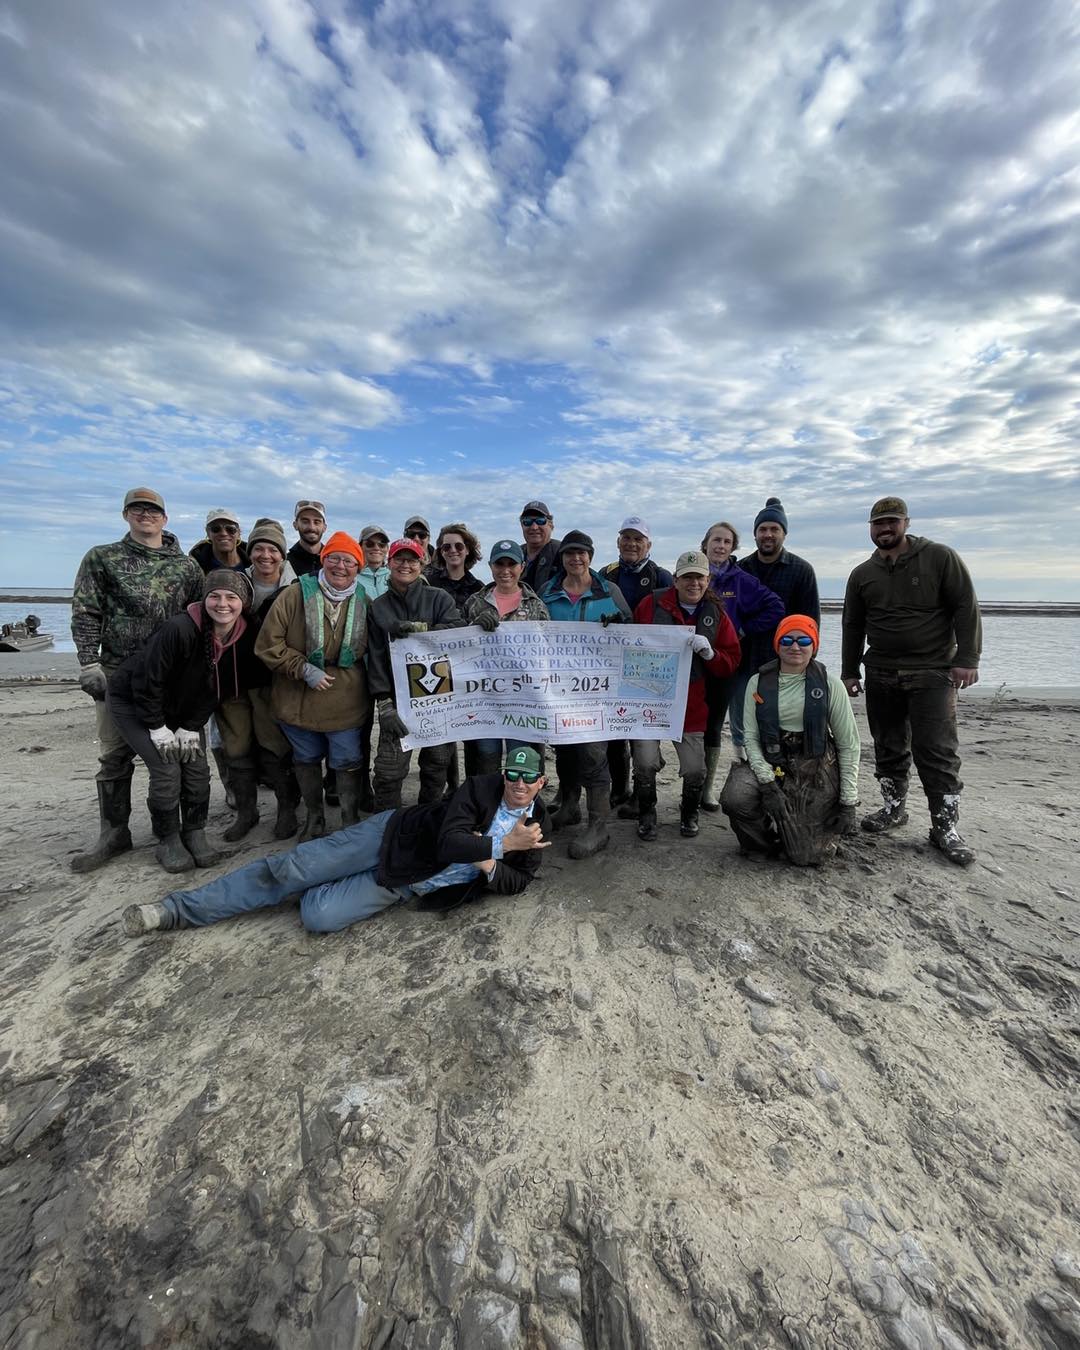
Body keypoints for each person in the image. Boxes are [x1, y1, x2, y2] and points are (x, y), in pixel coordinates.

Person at [122, 746, 551, 938]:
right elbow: (449, 843)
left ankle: (316, 879)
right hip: (390, 837)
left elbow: (519, 881)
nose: (517, 783)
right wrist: (499, 846)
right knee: (288, 870)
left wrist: (490, 863)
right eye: (511, 774)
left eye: (527, 777)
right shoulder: (478, 789)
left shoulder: (538, 824)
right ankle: (175, 912)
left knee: (319, 918)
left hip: (405, 881)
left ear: (541, 782)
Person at [69, 486, 204, 873]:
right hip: (116, 671)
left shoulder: (187, 567)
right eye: (137, 509)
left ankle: (180, 832)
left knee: (179, 753)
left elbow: (200, 620)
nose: (145, 515)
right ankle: (114, 832)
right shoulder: (102, 558)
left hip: (171, 678)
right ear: (125, 514)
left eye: (152, 510)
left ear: (165, 517)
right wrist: (87, 663)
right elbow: (85, 611)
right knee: (114, 753)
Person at [841, 497, 981, 865]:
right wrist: (849, 670)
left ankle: (945, 828)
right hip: (881, 671)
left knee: (937, 752)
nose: (885, 529)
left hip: (933, 671)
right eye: (878, 524)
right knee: (888, 746)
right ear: (870, 529)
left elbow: (966, 606)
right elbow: (853, 625)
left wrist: (967, 659)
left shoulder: (939, 557)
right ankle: (893, 809)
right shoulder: (862, 574)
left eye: (892, 522)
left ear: (905, 522)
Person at [105, 570, 258, 873]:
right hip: (135, 702)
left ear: (243, 603)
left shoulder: (240, 634)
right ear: (204, 598)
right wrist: (157, 727)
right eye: (214, 596)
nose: (222, 604)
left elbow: (217, 687)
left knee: (197, 769)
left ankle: (195, 832)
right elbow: (148, 680)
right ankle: (168, 839)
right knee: (166, 768)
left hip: (183, 710)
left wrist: (191, 725)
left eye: (231, 597)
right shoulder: (180, 629)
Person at [255, 532, 371, 839]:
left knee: (347, 760)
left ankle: (348, 818)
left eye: (349, 560)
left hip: (346, 700)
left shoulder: (365, 601)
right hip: (297, 698)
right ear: (323, 559)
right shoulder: (294, 595)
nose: (340, 566)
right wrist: (303, 668)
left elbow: (383, 649)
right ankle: (315, 818)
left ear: (358, 567)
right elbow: (268, 644)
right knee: (305, 759)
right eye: (334, 557)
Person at [721, 616, 860, 866]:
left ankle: (804, 831)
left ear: (813, 645)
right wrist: (766, 783)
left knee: (805, 857)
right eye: (787, 639)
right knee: (736, 796)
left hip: (815, 766)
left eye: (804, 640)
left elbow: (849, 744)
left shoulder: (831, 685)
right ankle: (760, 843)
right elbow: (750, 738)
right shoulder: (758, 682)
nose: (795, 646)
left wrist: (848, 801)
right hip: (769, 759)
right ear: (777, 644)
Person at [626, 550, 741, 839]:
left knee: (694, 769)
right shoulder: (650, 605)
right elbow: (626, 645)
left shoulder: (717, 614)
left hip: (691, 706)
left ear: (708, 579)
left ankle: (689, 811)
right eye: (687, 577)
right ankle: (647, 811)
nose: (694, 583)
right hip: (648, 702)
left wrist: (712, 654)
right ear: (675, 580)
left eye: (699, 577)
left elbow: (731, 662)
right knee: (644, 762)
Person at [539, 530, 632, 859]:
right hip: (559, 690)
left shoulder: (610, 591)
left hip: (599, 693)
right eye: (569, 553)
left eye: (581, 553)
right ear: (562, 558)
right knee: (564, 750)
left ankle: (598, 826)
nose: (575, 558)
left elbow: (633, 634)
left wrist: (617, 627)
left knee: (593, 754)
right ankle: (568, 805)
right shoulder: (547, 593)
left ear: (590, 556)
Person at [214, 519, 301, 841]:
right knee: (235, 747)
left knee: (274, 746)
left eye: (273, 549)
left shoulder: (296, 588)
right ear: (249, 553)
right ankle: (247, 813)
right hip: (232, 679)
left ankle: (287, 808)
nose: (265, 555)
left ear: (282, 555)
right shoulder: (233, 584)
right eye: (259, 549)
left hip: (273, 681)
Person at [367, 537, 465, 810]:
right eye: (399, 558)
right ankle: (386, 825)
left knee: (437, 765)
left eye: (412, 559)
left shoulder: (439, 598)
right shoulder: (379, 606)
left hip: (439, 699)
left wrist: (421, 631)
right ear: (389, 563)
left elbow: (457, 632)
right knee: (388, 770)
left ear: (422, 564)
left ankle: (427, 816)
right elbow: (375, 657)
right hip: (398, 701)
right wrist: (384, 702)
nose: (405, 565)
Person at [698, 520, 784, 811]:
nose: (720, 546)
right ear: (705, 544)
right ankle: (690, 782)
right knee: (687, 723)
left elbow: (775, 607)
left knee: (713, 724)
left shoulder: (741, 580)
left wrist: (742, 629)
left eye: (726, 542)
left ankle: (706, 790)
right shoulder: (692, 573)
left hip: (723, 663)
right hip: (689, 663)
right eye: (716, 540)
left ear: (732, 548)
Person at [600, 515, 675, 807]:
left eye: (638, 539)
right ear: (618, 542)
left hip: (647, 665)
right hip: (610, 662)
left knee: (641, 731)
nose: (631, 544)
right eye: (626, 538)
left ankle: (642, 793)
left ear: (649, 544)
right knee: (613, 730)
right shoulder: (606, 574)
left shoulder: (663, 577)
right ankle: (619, 789)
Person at [463, 538, 551, 773]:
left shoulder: (536, 606)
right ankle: (486, 805)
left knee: (519, 755)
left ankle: (520, 807)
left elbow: (547, 654)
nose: (505, 571)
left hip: (522, 699)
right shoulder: (474, 603)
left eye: (511, 564)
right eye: (499, 564)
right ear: (491, 567)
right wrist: (473, 626)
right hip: (484, 698)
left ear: (521, 566)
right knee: (485, 755)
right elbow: (458, 648)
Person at [428, 523, 485, 607]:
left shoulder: (479, 589)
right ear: (442, 552)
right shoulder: (429, 583)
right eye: (447, 547)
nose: (453, 550)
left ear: (467, 550)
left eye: (459, 546)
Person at [519, 501, 562, 596]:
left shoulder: (563, 553)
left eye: (540, 521)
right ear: (522, 526)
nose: (534, 527)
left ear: (551, 525)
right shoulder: (515, 554)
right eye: (527, 522)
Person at [189, 508, 248, 573]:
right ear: (208, 533)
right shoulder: (193, 568)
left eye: (230, 529)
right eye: (216, 529)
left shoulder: (255, 563)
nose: (224, 533)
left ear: (239, 532)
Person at [288, 500, 327, 578]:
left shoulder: (333, 562)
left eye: (317, 522)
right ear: (295, 525)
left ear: (324, 527)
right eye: (305, 521)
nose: (311, 527)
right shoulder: (286, 563)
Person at [357, 525, 391, 600]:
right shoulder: (351, 578)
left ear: (387, 548)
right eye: (370, 544)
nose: (376, 548)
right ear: (360, 547)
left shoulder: (395, 578)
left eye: (382, 545)